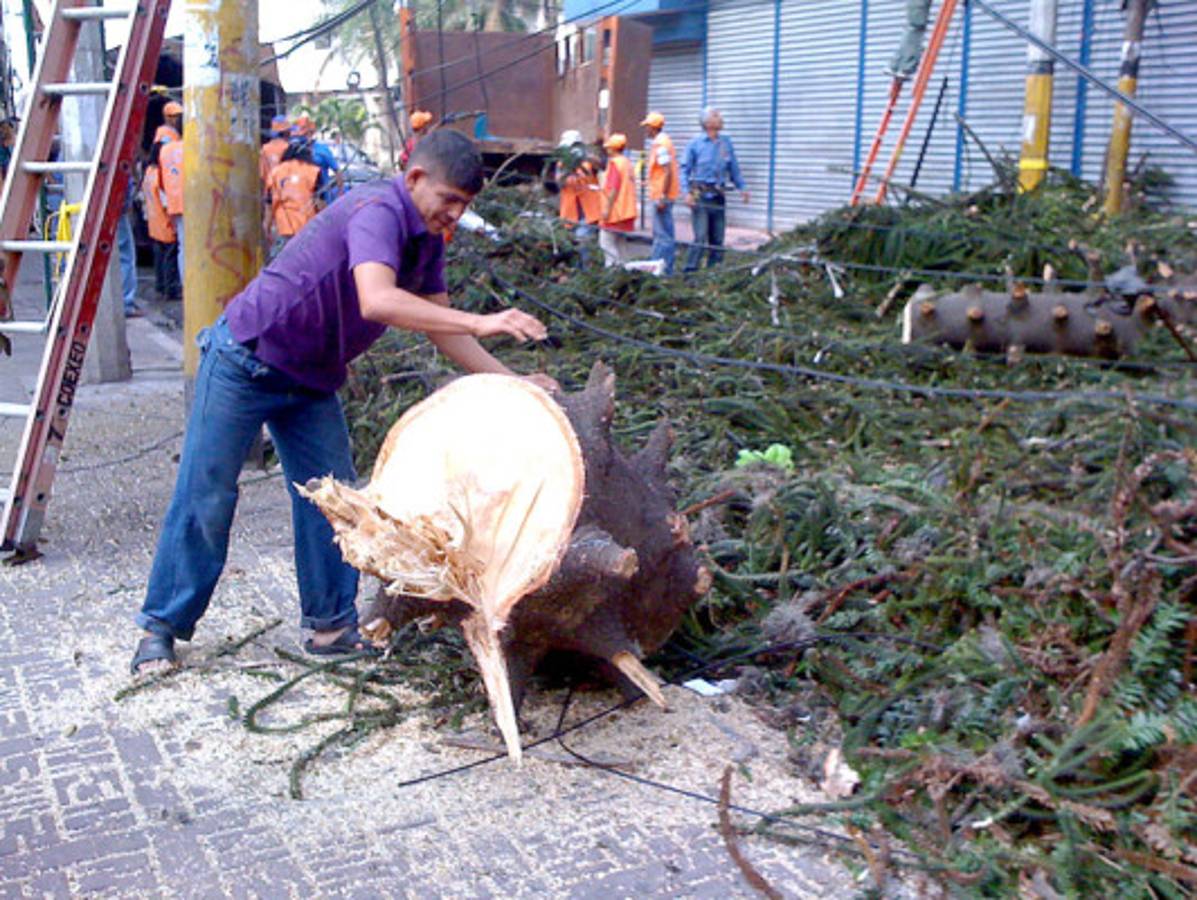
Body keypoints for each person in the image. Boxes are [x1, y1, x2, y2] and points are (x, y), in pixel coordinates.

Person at [128, 130, 555, 675]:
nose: (454, 214)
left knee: (336, 503)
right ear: (415, 178)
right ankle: (160, 629)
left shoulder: (426, 240)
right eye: (449, 199)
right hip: (246, 358)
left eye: (464, 206)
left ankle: (330, 628)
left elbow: (444, 333)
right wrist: (484, 319)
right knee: (207, 494)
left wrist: (513, 383)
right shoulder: (378, 208)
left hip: (311, 379)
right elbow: (377, 300)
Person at [680, 107, 750, 272]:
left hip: (718, 196)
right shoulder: (695, 144)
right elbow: (684, 170)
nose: (721, 118)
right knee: (700, 236)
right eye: (716, 116)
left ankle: (714, 272)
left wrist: (743, 188)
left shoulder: (725, 143)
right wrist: (686, 193)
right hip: (700, 196)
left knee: (718, 239)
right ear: (707, 122)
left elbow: (734, 169)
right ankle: (689, 272)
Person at [265, 139, 322, 254]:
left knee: (281, 263)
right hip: (307, 227)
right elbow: (320, 202)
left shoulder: (275, 172)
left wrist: (267, 228)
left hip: (282, 227)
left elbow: (269, 205)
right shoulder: (313, 171)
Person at [555, 130, 602, 268]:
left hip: (589, 213)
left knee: (583, 243)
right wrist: (567, 170)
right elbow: (558, 182)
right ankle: (576, 272)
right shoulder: (562, 164)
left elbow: (601, 164)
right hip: (570, 214)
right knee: (572, 246)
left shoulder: (589, 162)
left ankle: (586, 273)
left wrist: (584, 156)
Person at [640, 112, 679, 275]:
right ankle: (662, 268)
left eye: (647, 126)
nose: (645, 130)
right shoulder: (663, 142)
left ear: (653, 127)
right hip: (663, 194)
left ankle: (660, 270)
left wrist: (662, 195)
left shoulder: (660, 144)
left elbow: (667, 171)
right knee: (664, 234)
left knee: (662, 236)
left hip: (661, 197)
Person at [141, 142, 180, 301]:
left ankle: (160, 286)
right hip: (165, 224)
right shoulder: (160, 175)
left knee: (159, 257)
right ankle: (170, 289)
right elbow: (165, 202)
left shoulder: (149, 172)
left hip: (153, 223)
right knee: (170, 258)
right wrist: (174, 222)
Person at [598, 133, 636, 268]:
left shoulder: (615, 164)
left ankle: (612, 270)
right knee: (620, 245)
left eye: (609, 147)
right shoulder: (627, 163)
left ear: (613, 149)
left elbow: (613, 188)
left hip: (615, 212)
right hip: (626, 212)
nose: (607, 150)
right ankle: (626, 271)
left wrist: (606, 210)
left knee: (606, 244)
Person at [291, 114, 343, 205]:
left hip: (322, 198)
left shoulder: (322, 149)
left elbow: (337, 171)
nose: (304, 137)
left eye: (306, 134)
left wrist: (340, 194)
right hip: (302, 199)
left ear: (311, 133)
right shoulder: (295, 151)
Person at [158, 121, 185, 284]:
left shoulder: (165, 151)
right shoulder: (194, 148)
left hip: (175, 203)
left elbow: (162, 182)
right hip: (197, 203)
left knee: (183, 246)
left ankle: (185, 285)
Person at [259, 114, 290, 188]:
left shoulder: (265, 149)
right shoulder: (289, 148)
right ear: (285, 132)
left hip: (270, 190)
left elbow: (262, 175)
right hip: (286, 191)